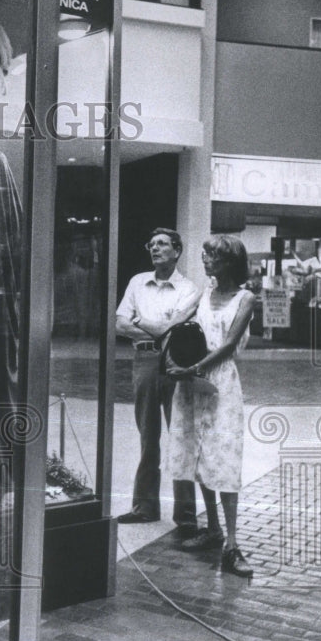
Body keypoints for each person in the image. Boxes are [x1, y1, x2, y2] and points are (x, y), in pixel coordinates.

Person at [167, 235, 257, 579]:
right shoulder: (203, 293)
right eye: (205, 256)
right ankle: (213, 529)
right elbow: (178, 326)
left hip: (218, 382)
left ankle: (232, 544)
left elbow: (230, 343)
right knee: (199, 455)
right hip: (192, 382)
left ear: (231, 262)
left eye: (213, 257)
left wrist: (193, 368)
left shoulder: (245, 298)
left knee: (224, 457)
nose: (206, 262)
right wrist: (173, 359)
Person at [115, 228, 201, 533]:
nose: (155, 249)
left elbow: (172, 329)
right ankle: (145, 507)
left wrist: (139, 321)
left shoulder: (189, 288)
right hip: (144, 361)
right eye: (151, 245)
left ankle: (186, 515)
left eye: (162, 244)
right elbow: (120, 323)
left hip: (175, 362)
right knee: (147, 436)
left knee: (180, 435)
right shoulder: (137, 282)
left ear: (176, 250)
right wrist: (151, 328)